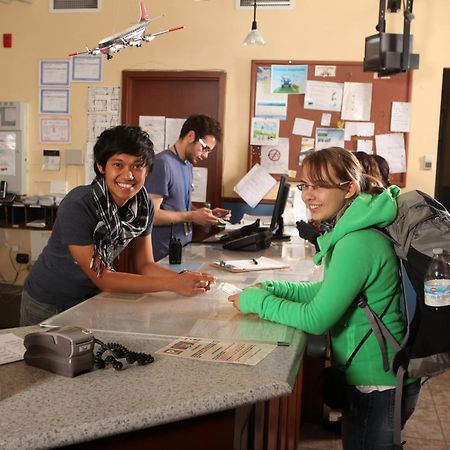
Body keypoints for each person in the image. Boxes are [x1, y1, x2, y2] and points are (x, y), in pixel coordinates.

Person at [228, 147, 420, 449]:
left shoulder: (357, 242)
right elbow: (331, 292)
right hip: (378, 375)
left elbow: (316, 319)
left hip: (379, 381)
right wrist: (278, 288)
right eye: (304, 186)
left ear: (349, 189)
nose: (307, 195)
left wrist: (256, 303)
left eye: (319, 186)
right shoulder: (357, 229)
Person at [20, 125, 215, 326]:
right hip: (46, 301)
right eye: (118, 165)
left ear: (147, 170)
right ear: (101, 167)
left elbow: (145, 265)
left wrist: (187, 279)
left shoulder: (143, 206)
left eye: (138, 165)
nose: (128, 175)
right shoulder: (79, 204)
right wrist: (174, 283)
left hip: (90, 300)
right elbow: (102, 276)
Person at [145, 114, 230, 261]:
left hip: (182, 250)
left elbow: (178, 206)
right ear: (191, 136)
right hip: (162, 255)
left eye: (209, 151)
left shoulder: (187, 165)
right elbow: (152, 216)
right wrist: (192, 216)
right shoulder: (162, 164)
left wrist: (206, 214)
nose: (205, 156)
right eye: (205, 149)